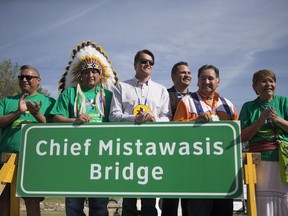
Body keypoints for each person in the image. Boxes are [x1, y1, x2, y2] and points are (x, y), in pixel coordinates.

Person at [50, 40, 118, 216]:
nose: (91, 75)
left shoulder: (109, 95)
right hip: (75, 155)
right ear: (80, 75)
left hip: (101, 155)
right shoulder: (69, 93)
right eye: (87, 71)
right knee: (73, 206)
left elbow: (117, 121)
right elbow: (56, 118)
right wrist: (74, 120)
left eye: (95, 71)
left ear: (101, 75)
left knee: (99, 206)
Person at [109, 49, 172, 216]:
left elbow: (167, 118)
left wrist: (155, 119)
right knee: (128, 200)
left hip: (152, 148)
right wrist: (133, 119)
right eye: (144, 61)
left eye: (151, 62)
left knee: (149, 200)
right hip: (128, 147)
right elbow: (113, 117)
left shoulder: (161, 90)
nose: (148, 64)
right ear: (135, 64)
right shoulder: (121, 87)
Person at [173, 64, 238, 216]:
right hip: (196, 173)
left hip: (223, 173)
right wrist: (196, 121)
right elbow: (175, 131)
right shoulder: (187, 102)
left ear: (218, 81)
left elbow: (236, 136)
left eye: (210, 78)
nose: (206, 81)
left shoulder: (228, 105)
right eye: (203, 78)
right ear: (197, 82)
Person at [0, 65, 55, 216]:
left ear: (38, 81)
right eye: (21, 77)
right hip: (6, 160)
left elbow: (55, 129)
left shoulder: (49, 101)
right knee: (3, 201)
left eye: (29, 77)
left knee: (32, 202)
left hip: (33, 160)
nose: (24, 79)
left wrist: (37, 115)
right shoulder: (7, 101)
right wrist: (18, 112)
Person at [239, 69, 288, 216]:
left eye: (271, 81)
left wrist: (277, 120)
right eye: (263, 81)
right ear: (255, 87)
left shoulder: (284, 102)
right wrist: (260, 121)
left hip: (284, 160)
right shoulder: (248, 107)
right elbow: (242, 136)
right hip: (259, 161)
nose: (268, 84)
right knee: (261, 202)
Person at [161, 61, 192, 216]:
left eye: (189, 72)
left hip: (190, 152)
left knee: (189, 200)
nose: (187, 75)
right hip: (170, 152)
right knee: (170, 201)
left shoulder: (196, 98)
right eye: (182, 72)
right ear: (173, 76)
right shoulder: (164, 94)